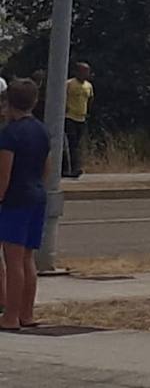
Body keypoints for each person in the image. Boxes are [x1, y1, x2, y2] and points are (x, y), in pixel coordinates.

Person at [0, 78, 51, 330]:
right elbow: (46, 168)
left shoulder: (10, 134)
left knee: (13, 260)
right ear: (35, 101)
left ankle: (9, 316)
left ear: (9, 101)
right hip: (37, 195)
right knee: (28, 258)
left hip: (15, 200)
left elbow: (4, 175)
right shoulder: (42, 131)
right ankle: (26, 313)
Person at [63, 62, 94, 179]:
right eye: (83, 71)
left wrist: (88, 112)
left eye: (87, 71)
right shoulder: (69, 84)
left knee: (77, 144)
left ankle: (75, 168)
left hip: (81, 118)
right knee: (71, 143)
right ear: (76, 72)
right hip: (69, 116)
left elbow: (90, 99)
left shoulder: (88, 86)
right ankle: (71, 169)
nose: (85, 74)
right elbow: (63, 97)